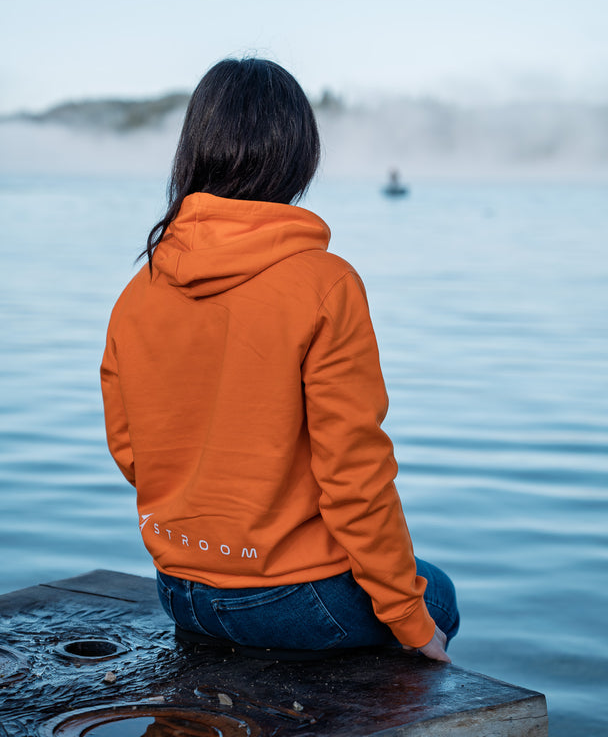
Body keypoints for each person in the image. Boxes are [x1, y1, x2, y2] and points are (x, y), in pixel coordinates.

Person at [101, 57, 459, 662]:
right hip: (288, 603)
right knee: (438, 594)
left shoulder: (141, 289)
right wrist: (411, 618)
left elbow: (131, 449)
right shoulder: (325, 283)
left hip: (180, 591)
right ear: (299, 156)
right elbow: (355, 474)